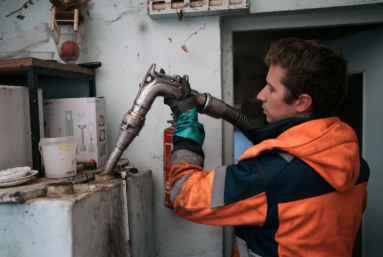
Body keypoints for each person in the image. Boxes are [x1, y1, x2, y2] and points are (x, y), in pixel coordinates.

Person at [164, 38, 369, 257]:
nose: (261, 95)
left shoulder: (268, 175)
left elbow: (184, 195)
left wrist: (186, 131)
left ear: (302, 102)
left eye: (271, 88)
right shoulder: (355, 162)